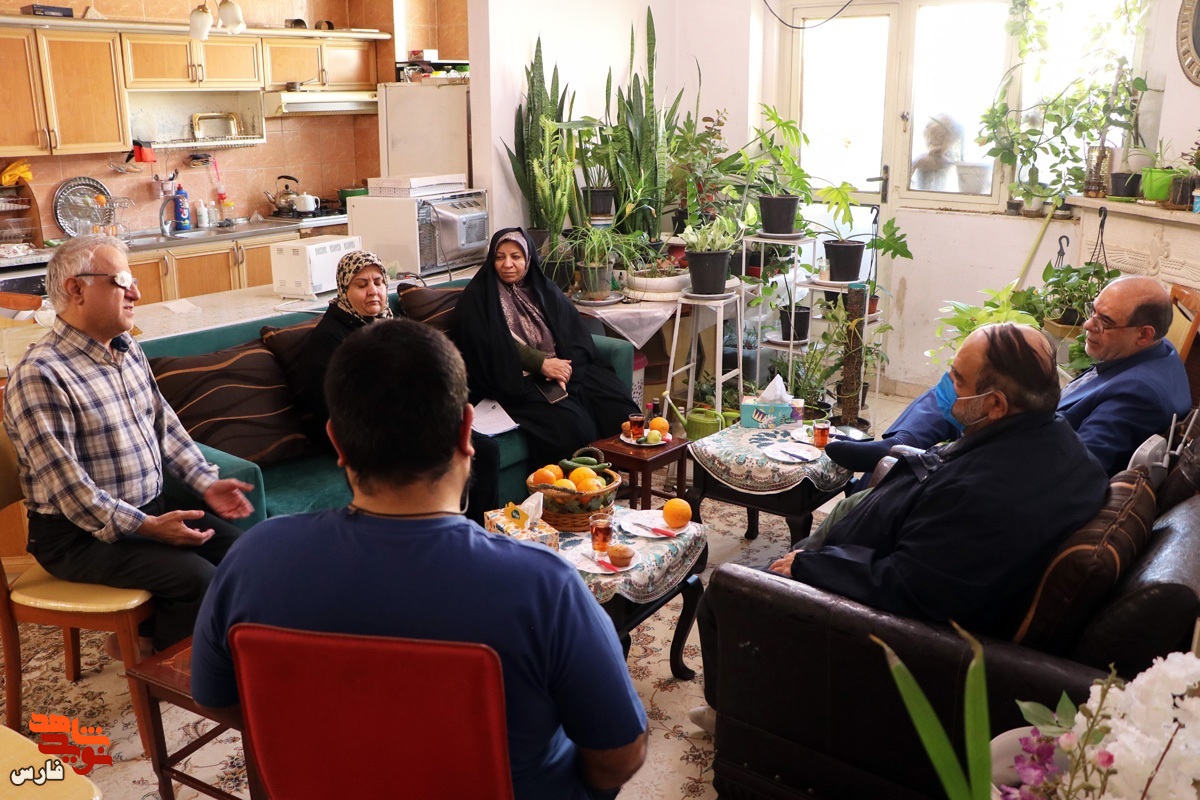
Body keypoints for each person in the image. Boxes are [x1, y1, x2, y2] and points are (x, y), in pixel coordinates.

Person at [192, 319, 648, 800]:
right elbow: (620, 754)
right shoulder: (543, 584)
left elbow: (214, 697)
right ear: (467, 431)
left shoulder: (253, 559)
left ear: (337, 443)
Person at [692, 324, 1109, 732]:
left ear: (996, 404)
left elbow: (908, 588)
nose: (947, 384)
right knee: (845, 509)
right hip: (884, 532)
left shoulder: (987, 497)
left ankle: (731, 713)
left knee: (722, 594)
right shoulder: (1061, 446)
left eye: (958, 379)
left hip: (865, 587)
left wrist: (810, 566)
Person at [2, 235, 254, 653]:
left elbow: (165, 427)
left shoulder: (127, 348)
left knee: (245, 553)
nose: (136, 293)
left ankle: (147, 640)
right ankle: (165, 669)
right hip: (76, 536)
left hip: (148, 511)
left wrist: (206, 483)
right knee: (197, 580)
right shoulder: (41, 375)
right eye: (122, 281)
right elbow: (72, 491)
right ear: (77, 289)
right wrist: (148, 529)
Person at [826, 275, 1191, 476]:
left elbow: (1081, 466)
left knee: (973, 384)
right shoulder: (1161, 353)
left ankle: (891, 460)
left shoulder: (1138, 395)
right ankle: (897, 446)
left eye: (1104, 321)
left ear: (1144, 333)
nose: (1088, 325)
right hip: (1040, 425)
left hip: (1024, 443)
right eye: (1093, 311)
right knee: (966, 374)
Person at [288, 250, 499, 524]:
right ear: (343, 289)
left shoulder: (388, 321)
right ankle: (449, 530)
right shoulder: (329, 340)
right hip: (365, 430)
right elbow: (337, 406)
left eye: (378, 282)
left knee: (485, 448)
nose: (373, 291)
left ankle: (476, 529)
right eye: (361, 285)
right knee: (453, 454)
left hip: (409, 418)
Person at [455, 227, 638, 466]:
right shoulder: (478, 298)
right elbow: (489, 347)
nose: (507, 264)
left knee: (618, 406)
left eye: (516, 256)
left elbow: (575, 336)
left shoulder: (541, 288)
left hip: (561, 370)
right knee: (573, 427)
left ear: (529, 258)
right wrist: (541, 364)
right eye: (500, 257)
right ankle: (576, 483)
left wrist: (565, 371)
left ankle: (620, 474)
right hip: (514, 380)